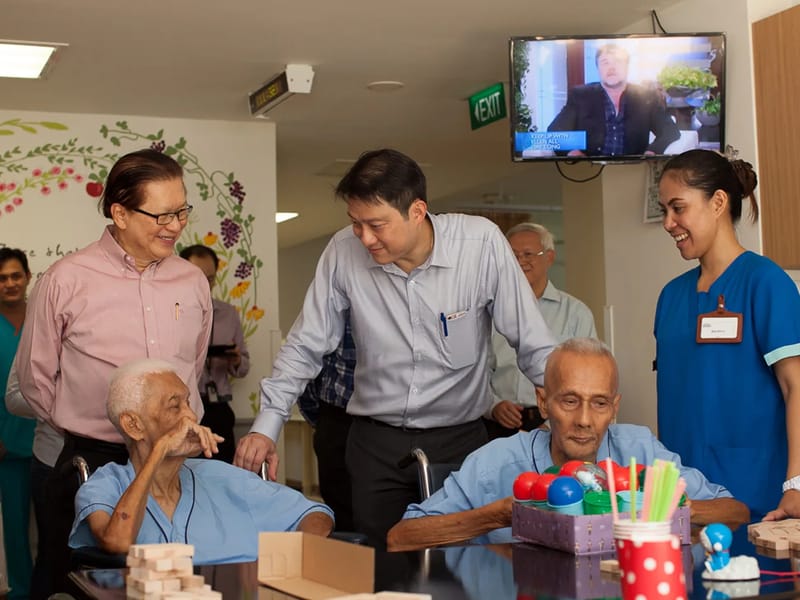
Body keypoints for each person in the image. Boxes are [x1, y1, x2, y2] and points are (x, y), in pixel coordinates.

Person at [235, 148, 557, 548]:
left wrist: (567, 411)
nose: (365, 238)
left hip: (459, 443)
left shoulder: (480, 244)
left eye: (376, 225)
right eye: (355, 223)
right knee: (380, 562)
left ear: (417, 211)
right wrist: (267, 426)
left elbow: (531, 339)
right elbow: (305, 345)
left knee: (463, 560)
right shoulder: (342, 251)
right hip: (375, 445)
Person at [16, 148, 212, 595]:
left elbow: (193, 367)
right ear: (120, 213)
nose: (176, 226)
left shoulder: (191, 281)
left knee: (171, 580)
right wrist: (83, 426)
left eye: (181, 211)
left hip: (176, 460)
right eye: (161, 215)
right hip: (93, 458)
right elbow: (34, 378)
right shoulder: (65, 279)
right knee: (77, 580)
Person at [387, 338, 750, 551]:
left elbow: (735, 512)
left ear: (615, 408)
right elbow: (401, 537)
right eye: (570, 401)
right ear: (543, 402)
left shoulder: (639, 450)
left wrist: (662, 508)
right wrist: (498, 516)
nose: (585, 420)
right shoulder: (496, 462)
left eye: (600, 403)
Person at [654, 149, 800, 521]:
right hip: (683, 503)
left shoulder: (765, 284)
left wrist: (796, 484)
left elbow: (795, 387)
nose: (668, 223)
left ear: (718, 202)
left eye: (678, 208)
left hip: (755, 496)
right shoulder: (671, 297)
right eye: (664, 210)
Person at [69, 359, 333, 564]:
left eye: (188, 403)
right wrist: (160, 450)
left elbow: (315, 515)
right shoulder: (106, 485)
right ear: (133, 425)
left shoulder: (225, 478)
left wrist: (287, 565)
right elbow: (117, 541)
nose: (191, 417)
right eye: (175, 406)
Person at [486, 222, 596, 437]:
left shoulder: (575, 313)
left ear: (549, 257)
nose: (520, 261)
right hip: (498, 424)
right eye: (513, 255)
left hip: (556, 424)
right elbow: (479, 371)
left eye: (528, 254)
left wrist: (550, 424)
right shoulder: (490, 311)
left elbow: (589, 376)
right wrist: (493, 406)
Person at [179, 244, 250, 464]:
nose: (205, 285)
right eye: (197, 278)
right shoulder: (172, 312)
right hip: (184, 407)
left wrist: (235, 359)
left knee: (223, 470)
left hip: (219, 405)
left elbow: (244, 366)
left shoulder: (228, 313)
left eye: (210, 279)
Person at [547, 43, 680, 157]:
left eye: (618, 61)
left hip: (633, 168)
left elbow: (670, 131)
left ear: (627, 66)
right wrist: (571, 151)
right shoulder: (581, 96)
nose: (611, 68)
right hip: (591, 170)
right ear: (598, 68)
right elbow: (554, 133)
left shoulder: (645, 96)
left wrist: (652, 151)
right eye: (605, 63)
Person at [297, 311, 356, 531]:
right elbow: (306, 364)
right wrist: (323, 422)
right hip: (337, 420)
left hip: (386, 425)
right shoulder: (331, 304)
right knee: (342, 516)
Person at [0, 248, 36, 599]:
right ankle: (20, 593)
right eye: (1, 278)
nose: (9, 283)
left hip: (49, 444)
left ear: (27, 277)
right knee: (14, 531)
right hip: (5, 449)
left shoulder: (43, 319)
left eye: (15, 276)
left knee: (57, 527)